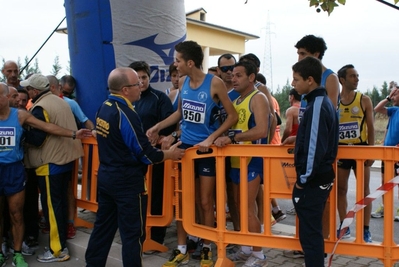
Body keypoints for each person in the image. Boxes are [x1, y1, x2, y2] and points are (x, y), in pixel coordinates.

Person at [147, 40, 238, 267]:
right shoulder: (184, 82)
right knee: (183, 200)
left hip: (205, 152)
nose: (174, 64)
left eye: (177, 60)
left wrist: (212, 137)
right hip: (185, 150)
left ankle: (207, 247)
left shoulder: (214, 83)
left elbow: (232, 116)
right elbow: (179, 114)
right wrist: (158, 126)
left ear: (189, 62)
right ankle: (181, 248)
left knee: (206, 202)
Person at [85, 67, 184, 267]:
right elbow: (145, 154)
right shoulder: (126, 113)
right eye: (135, 83)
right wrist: (169, 154)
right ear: (125, 90)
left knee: (103, 228)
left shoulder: (104, 106)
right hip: (127, 181)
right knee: (132, 234)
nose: (140, 86)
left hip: (107, 176)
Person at [0, 82, 91, 267]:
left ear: (6, 97)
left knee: (16, 214)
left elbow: (47, 127)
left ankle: (17, 254)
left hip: (14, 170)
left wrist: (73, 134)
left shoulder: (20, 115)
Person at [283, 34, 340, 260]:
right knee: (311, 234)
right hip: (316, 176)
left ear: (309, 80)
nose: (293, 84)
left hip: (313, 179)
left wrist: (302, 180)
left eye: (296, 79)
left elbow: (315, 145)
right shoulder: (317, 101)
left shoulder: (317, 104)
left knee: (311, 235)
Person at [21, 74, 87, 263]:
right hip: (65, 160)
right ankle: (60, 244)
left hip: (51, 163)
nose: (27, 91)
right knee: (59, 204)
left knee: (53, 206)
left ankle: (57, 249)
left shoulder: (40, 107)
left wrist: (23, 134)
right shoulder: (60, 101)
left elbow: (37, 139)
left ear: (34, 90)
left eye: (28, 89)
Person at [214, 60, 269, 267]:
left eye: (238, 75)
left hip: (252, 161)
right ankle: (246, 247)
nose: (233, 78)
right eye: (232, 75)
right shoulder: (236, 101)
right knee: (238, 206)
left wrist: (232, 139)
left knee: (248, 208)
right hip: (237, 161)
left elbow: (262, 130)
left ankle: (259, 254)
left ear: (251, 77)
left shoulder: (258, 98)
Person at [128, 60, 175, 249]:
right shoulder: (128, 99)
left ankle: (156, 237)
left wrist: (161, 136)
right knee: (134, 196)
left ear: (149, 77)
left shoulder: (159, 98)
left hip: (155, 157)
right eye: (137, 78)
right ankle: (136, 234)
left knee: (156, 196)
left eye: (144, 77)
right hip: (133, 158)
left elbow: (170, 123)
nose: (141, 81)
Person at [47, 75, 95, 240]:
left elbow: (86, 121)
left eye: (69, 92)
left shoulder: (70, 103)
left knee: (67, 187)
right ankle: (51, 221)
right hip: (49, 155)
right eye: (65, 92)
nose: (67, 95)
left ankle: (69, 223)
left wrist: (96, 134)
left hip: (67, 155)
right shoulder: (40, 104)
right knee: (51, 191)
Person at [336, 64, 374, 242]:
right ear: (342, 80)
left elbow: (371, 127)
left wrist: (371, 151)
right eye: (352, 76)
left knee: (364, 191)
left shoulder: (364, 99)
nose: (356, 79)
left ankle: (365, 229)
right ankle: (344, 225)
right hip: (342, 150)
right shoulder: (335, 101)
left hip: (360, 149)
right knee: (341, 189)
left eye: (357, 75)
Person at [373, 83, 399, 220]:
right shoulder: (394, 111)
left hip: (397, 154)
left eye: (396, 94)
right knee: (385, 181)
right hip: (387, 152)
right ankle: (385, 208)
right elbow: (377, 108)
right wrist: (388, 97)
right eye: (393, 94)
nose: (394, 97)